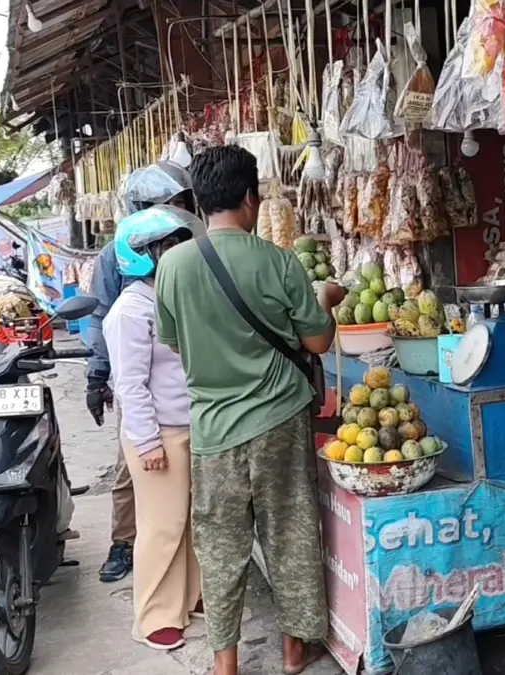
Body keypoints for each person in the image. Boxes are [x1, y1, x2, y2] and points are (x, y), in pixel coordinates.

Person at [155, 145, 343, 675]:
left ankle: (225, 663)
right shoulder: (279, 263)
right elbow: (318, 343)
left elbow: (174, 344)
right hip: (280, 420)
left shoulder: (171, 267)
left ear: (199, 201)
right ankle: (292, 650)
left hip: (213, 428)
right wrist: (325, 300)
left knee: (219, 546)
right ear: (248, 197)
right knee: (290, 530)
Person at [86, 161, 196, 583]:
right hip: (141, 384)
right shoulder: (121, 254)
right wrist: (98, 374)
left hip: (185, 391)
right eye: (165, 204)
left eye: (180, 202)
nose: (175, 210)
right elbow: (102, 316)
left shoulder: (190, 241)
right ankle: (123, 542)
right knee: (130, 468)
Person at [103, 204, 202, 651]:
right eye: (167, 248)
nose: (176, 254)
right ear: (142, 254)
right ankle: (154, 617)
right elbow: (129, 384)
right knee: (163, 525)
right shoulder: (129, 312)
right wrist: (146, 443)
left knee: (191, 522)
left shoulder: (172, 297)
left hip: (191, 424)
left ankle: (187, 600)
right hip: (158, 432)